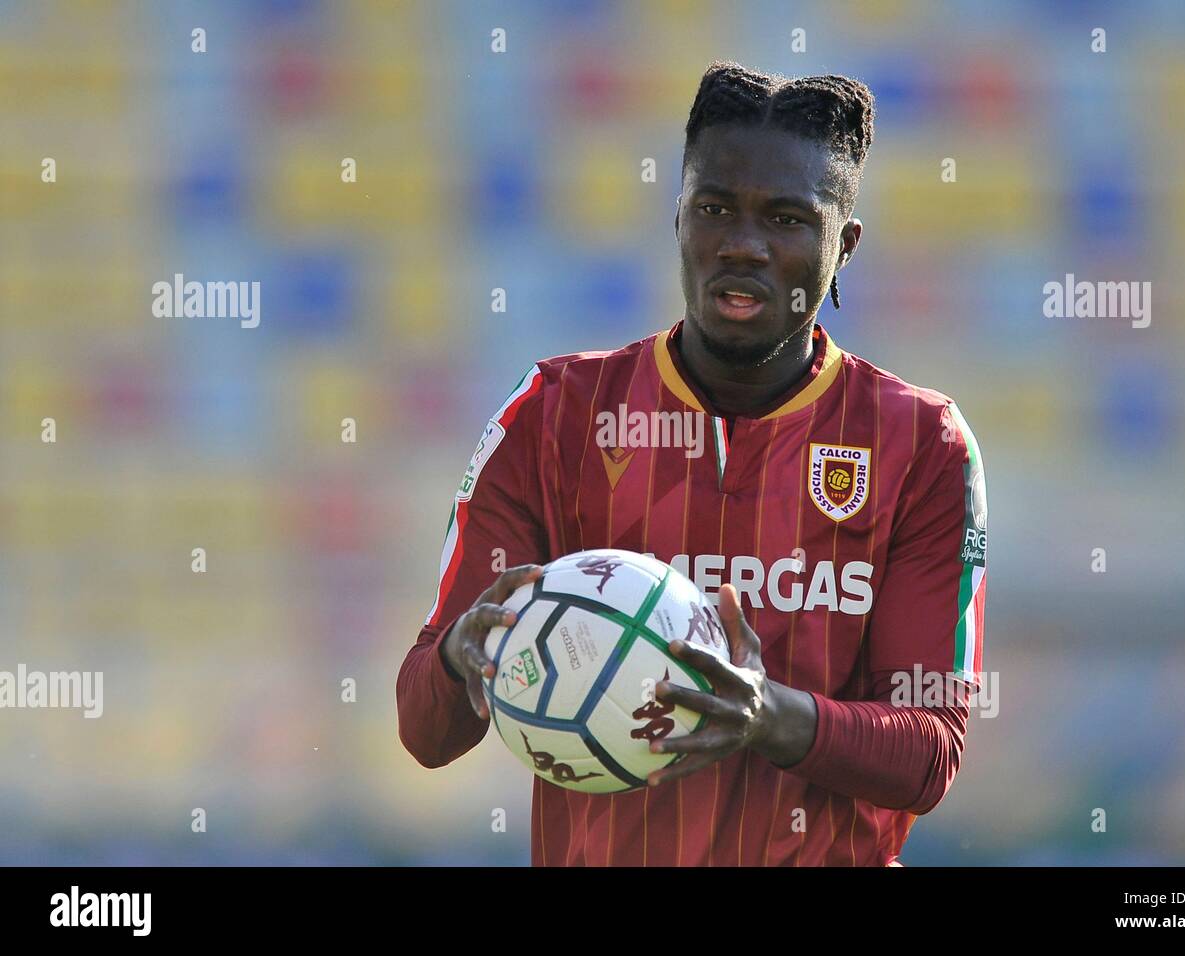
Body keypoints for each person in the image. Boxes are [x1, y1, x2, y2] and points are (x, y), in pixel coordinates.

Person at [398, 61, 987, 866]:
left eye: (786, 219)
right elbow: (425, 732)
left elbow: (929, 753)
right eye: (715, 208)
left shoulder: (921, 446)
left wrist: (768, 716)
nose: (742, 245)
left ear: (843, 245)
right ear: (678, 220)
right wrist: (464, 655)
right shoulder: (552, 415)